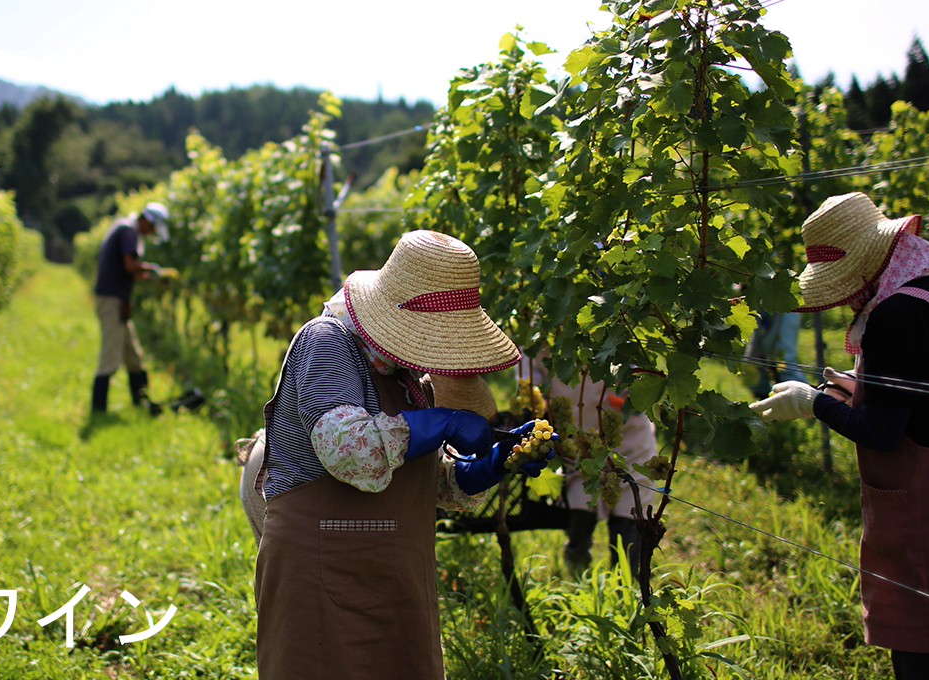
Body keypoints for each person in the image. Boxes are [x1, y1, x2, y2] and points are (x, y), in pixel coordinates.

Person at [750, 192, 929, 680]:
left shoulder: (895, 316)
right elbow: (923, 395)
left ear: (865, 265)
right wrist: (838, 391)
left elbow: (881, 430)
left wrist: (814, 404)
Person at [255, 230, 552, 680]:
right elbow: (350, 452)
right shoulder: (328, 343)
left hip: (395, 575)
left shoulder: (407, 375)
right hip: (320, 570)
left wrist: (491, 464)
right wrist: (443, 423)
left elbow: (424, 479)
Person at [520, 350, 660, 576]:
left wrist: (635, 388)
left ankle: (631, 584)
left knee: (631, 510)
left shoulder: (620, 320)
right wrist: (533, 394)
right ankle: (576, 571)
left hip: (628, 438)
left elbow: (643, 365)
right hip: (576, 437)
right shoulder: (544, 326)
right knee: (579, 506)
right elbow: (528, 359)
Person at [91, 203, 169, 415]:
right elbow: (129, 265)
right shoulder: (129, 231)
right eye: (152, 229)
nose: (151, 233)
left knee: (134, 355)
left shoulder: (127, 229)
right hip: (111, 300)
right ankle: (98, 411)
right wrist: (152, 269)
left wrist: (143, 275)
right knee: (110, 357)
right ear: (146, 221)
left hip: (118, 300)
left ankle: (141, 403)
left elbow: (127, 270)